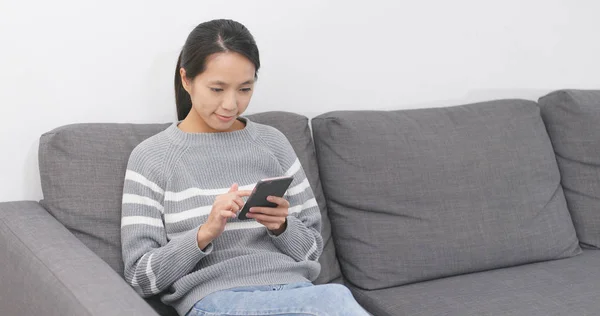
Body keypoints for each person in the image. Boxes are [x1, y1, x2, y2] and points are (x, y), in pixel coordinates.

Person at [120, 19, 369, 316]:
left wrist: (282, 226)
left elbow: (313, 251)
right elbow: (140, 277)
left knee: (334, 300)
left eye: (244, 89)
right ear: (186, 80)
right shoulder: (151, 157)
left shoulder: (273, 143)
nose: (231, 104)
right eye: (217, 89)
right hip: (217, 300)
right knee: (336, 302)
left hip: (295, 292)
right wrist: (204, 233)